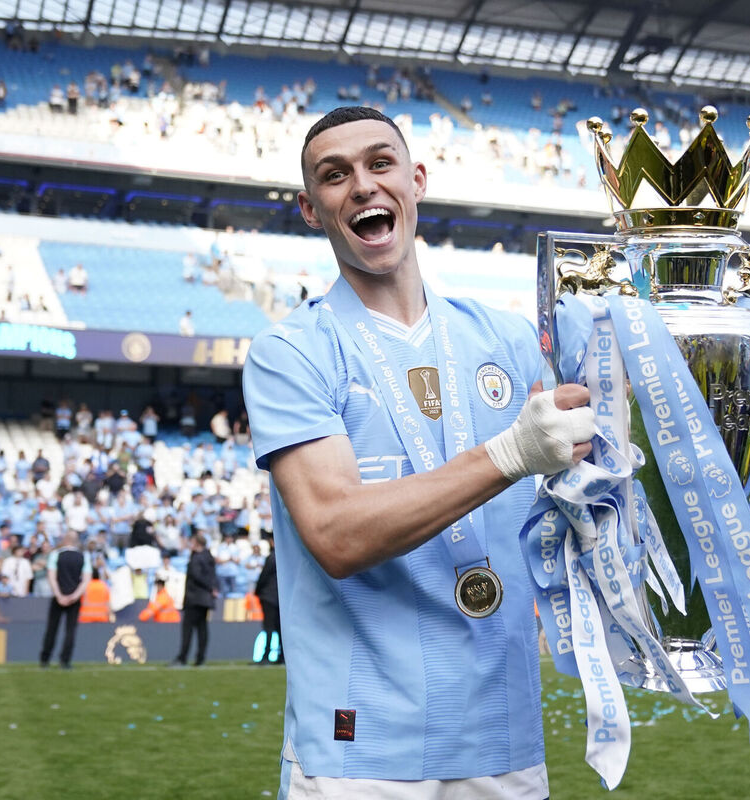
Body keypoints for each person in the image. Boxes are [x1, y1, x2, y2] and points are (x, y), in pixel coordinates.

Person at [243, 106, 594, 796]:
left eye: (380, 164)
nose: (363, 186)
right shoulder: (290, 353)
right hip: (360, 750)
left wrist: (733, 389)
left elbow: (612, 453)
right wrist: (510, 453)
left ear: (417, 180)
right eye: (334, 176)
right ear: (312, 210)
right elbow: (337, 533)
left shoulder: (511, 341)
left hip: (503, 741)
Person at [39, 533, 91, 669]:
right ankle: (65, 660)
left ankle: (45, 659)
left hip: (58, 597)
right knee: (70, 630)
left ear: (65, 540)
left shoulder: (56, 555)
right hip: (74, 598)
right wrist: (74, 596)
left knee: (52, 628)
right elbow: (85, 580)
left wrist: (59, 595)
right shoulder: (83, 556)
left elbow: (51, 577)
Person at [170, 533, 217, 667]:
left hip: (195, 598)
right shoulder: (209, 557)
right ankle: (200, 658)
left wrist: (209, 587)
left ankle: (182, 657)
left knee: (188, 628)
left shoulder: (196, 558)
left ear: (196, 543)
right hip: (205, 599)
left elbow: (196, 576)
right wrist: (212, 588)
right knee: (202, 628)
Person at [253, 534, 281, 665]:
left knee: (269, 626)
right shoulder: (284, 557)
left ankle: (266, 655)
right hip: (280, 597)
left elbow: (263, 577)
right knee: (279, 627)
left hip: (269, 596)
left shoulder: (272, 557)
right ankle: (281, 656)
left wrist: (258, 591)